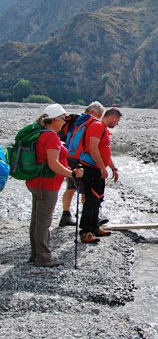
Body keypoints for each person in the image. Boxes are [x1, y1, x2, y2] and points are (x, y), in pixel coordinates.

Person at [26, 104, 84, 267]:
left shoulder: (39, 133)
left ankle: (35, 254)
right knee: (43, 221)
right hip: (47, 184)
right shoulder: (51, 137)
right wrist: (72, 173)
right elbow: (53, 164)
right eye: (63, 118)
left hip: (36, 182)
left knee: (37, 220)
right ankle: (43, 257)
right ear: (55, 120)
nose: (65, 121)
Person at [58, 101, 105, 227]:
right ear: (93, 112)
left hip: (70, 157)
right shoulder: (90, 122)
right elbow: (91, 145)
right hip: (81, 161)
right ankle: (89, 218)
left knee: (71, 188)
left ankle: (66, 215)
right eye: (99, 115)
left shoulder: (75, 120)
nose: (99, 118)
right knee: (86, 191)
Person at [79, 107, 122, 244]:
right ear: (112, 117)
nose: (117, 124)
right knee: (91, 200)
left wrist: (113, 168)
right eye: (117, 120)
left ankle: (94, 227)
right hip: (91, 169)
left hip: (97, 169)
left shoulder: (103, 129)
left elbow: (105, 152)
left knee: (97, 199)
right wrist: (102, 167)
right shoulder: (97, 126)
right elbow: (93, 148)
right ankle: (85, 232)